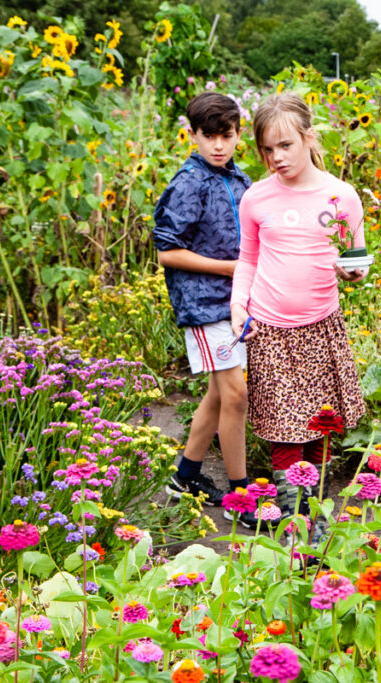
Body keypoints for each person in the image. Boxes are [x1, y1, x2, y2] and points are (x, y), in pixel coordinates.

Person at [230, 92, 367, 516]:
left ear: (309, 139)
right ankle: (293, 516)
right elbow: (248, 259)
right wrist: (239, 307)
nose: (276, 158)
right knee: (283, 430)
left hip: (321, 326)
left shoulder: (341, 196)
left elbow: (357, 257)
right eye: (267, 150)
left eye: (285, 146)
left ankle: (314, 510)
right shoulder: (256, 197)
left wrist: (353, 272)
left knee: (318, 424)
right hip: (269, 329)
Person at [153, 92, 252, 514]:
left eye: (225, 136)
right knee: (235, 396)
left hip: (237, 304)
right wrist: (230, 269)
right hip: (204, 304)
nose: (217, 146)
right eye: (208, 136)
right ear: (191, 134)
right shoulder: (188, 182)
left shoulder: (241, 180)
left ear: (237, 134)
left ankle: (185, 477)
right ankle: (242, 497)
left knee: (218, 395)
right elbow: (166, 251)